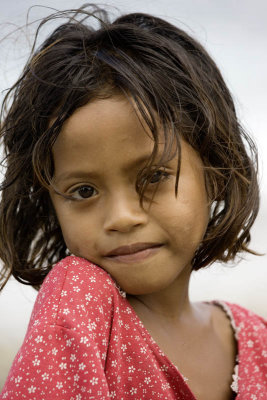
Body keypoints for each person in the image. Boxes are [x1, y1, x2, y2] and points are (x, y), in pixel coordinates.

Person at [0, 4, 266, 400]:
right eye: (84, 191)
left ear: (215, 172)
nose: (122, 218)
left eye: (154, 177)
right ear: (51, 202)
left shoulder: (256, 339)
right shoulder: (78, 301)